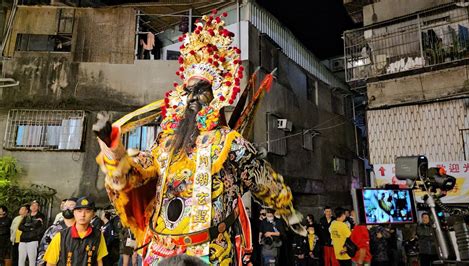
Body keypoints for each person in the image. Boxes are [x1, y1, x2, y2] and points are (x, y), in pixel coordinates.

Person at [93, 10, 303, 265]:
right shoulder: (166, 144)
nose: (192, 98)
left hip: (210, 251)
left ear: (215, 97)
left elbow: (262, 179)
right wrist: (113, 149)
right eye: (188, 91)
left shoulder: (229, 143)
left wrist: (289, 212)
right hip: (162, 251)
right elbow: (135, 175)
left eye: (201, 91)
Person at [43, 196, 108, 266]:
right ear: (74, 213)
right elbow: (50, 263)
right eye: (79, 211)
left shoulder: (98, 235)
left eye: (87, 211)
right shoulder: (61, 236)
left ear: (93, 214)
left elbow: (99, 261)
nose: (83, 215)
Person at [37, 198, 77, 266]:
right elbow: (43, 251)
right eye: (65, 206)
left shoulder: (83, 229)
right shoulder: (53, 229)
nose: (67, 208)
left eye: (71, 206)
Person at [18, 200, 45, 266]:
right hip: (23, 239)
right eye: (32, 205)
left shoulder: (40, 215)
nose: (34, 206)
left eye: (36, 205)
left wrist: (27, 226)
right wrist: (30, 228)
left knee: (32, 260)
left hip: (33, 240)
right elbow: (20, 226)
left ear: (38, 207)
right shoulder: (27, 216)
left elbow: (37, 226)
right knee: (21, 259)